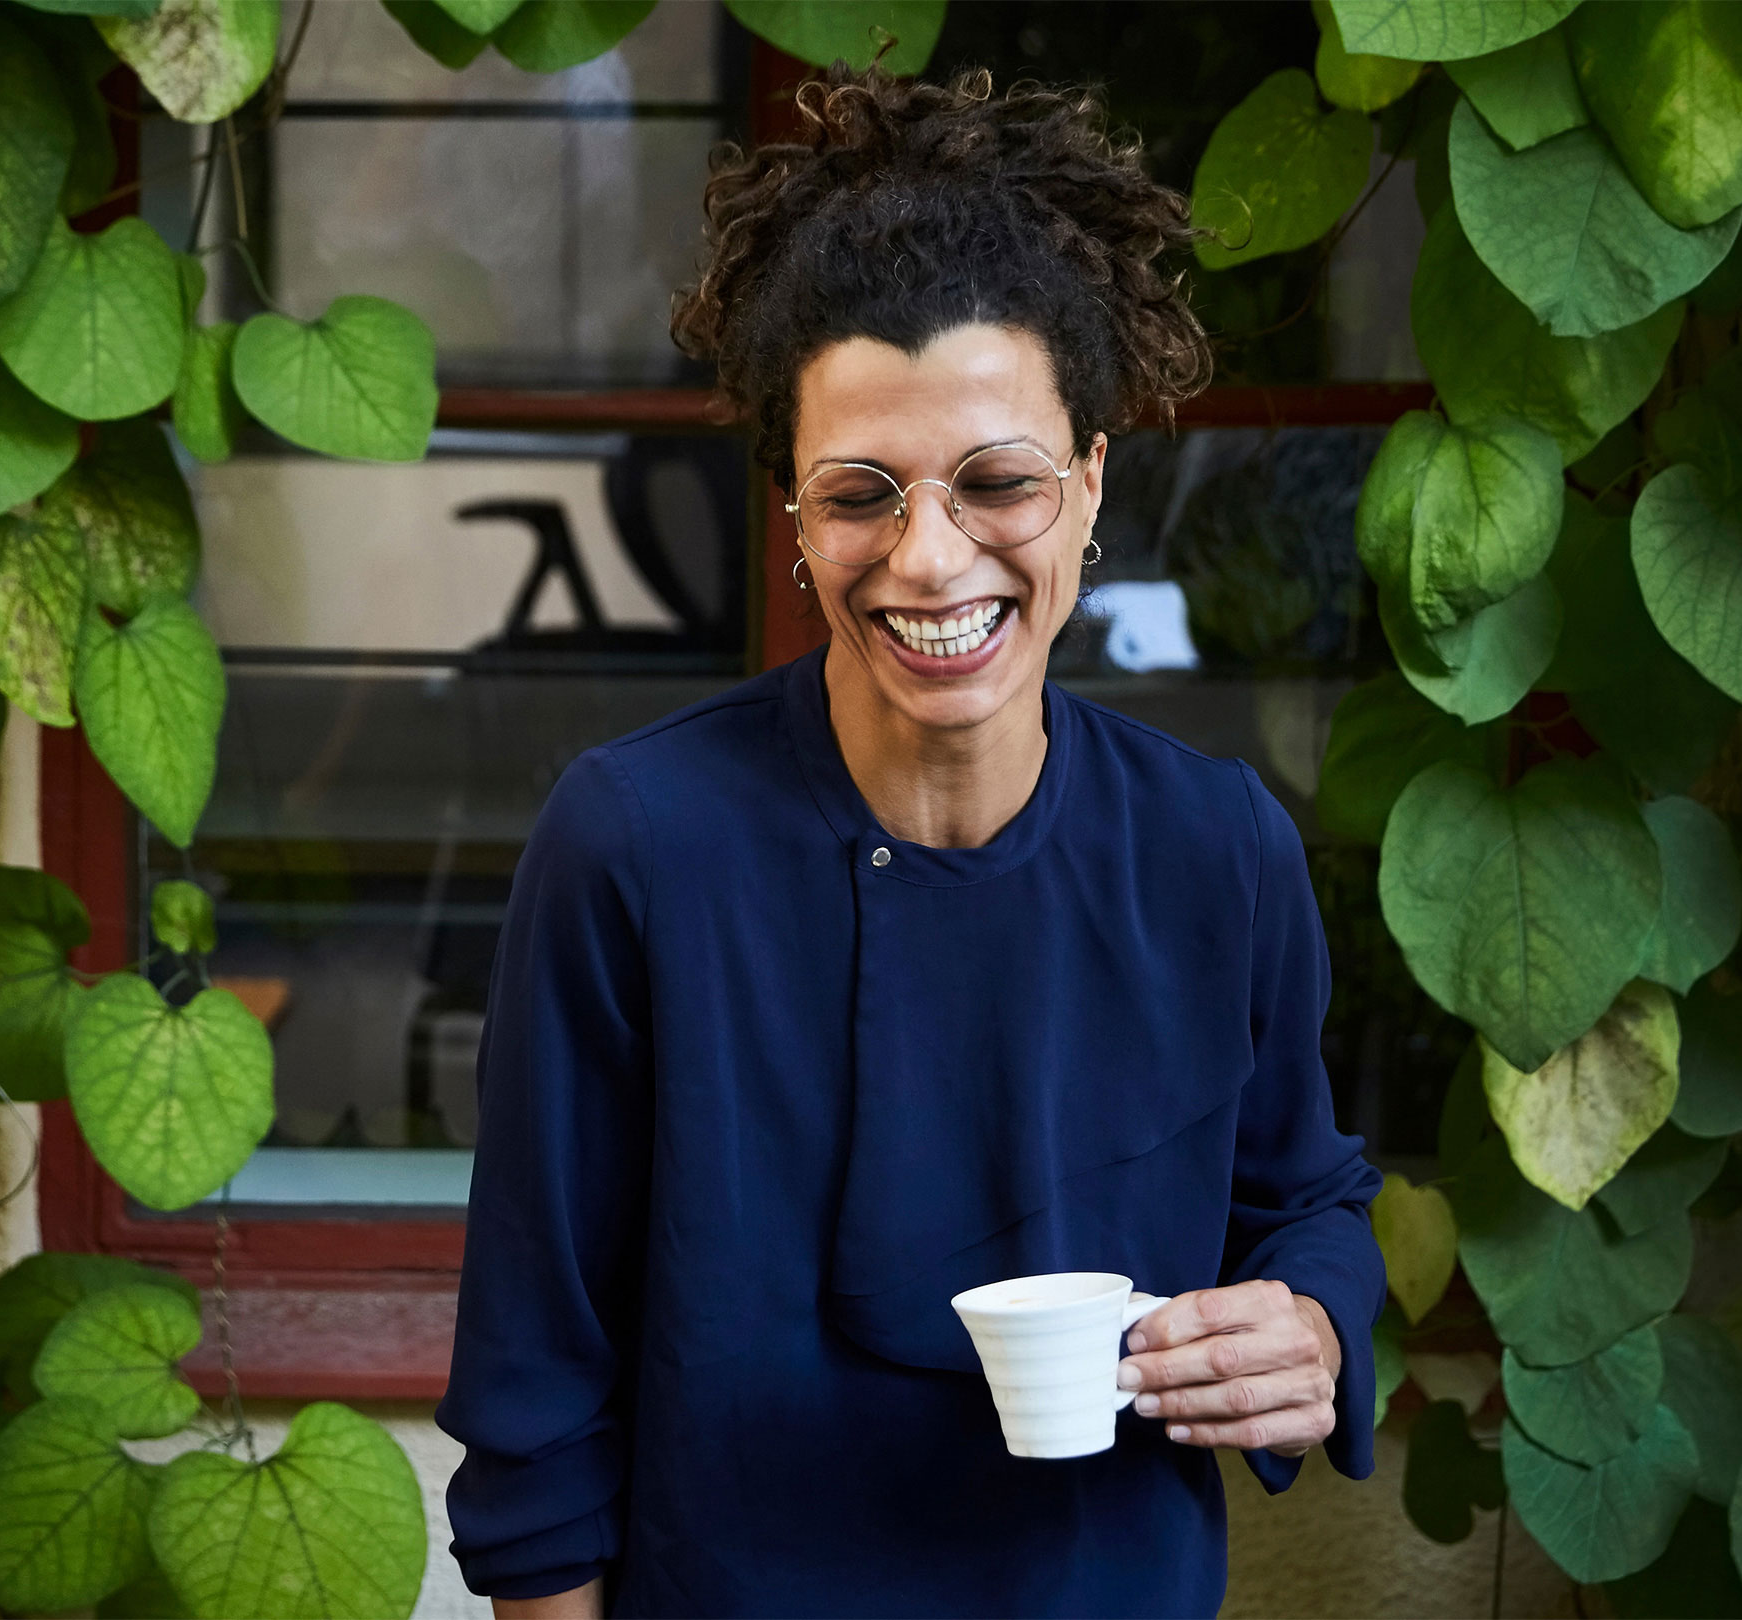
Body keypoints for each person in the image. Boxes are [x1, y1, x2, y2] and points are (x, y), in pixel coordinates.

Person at [432, 64, 1387, 1619]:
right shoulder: (638, 846)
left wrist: (1319, 1328)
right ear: (798, 530)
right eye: (859, 494)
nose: (929, 554)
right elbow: (540, 1392)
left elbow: (1306, 1196)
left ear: (1087, 488)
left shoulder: (1217, 851)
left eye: (997, 481)